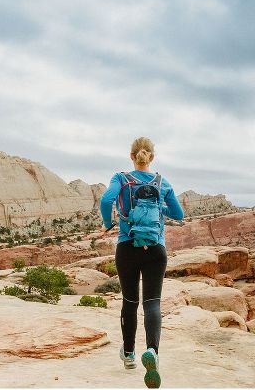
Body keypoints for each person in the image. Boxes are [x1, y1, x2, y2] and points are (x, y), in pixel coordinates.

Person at [99, 136, 184, 389]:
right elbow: (178, 214)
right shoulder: (162, 182)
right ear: (152, 157)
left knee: (130, 301)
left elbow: (106, 200)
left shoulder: (121, 178)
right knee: (152, 303)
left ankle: (129, 355)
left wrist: (108, 223)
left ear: (132, 156)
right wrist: (160, 209)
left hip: (127, 246)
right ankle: (152, 351)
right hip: (155, 249)